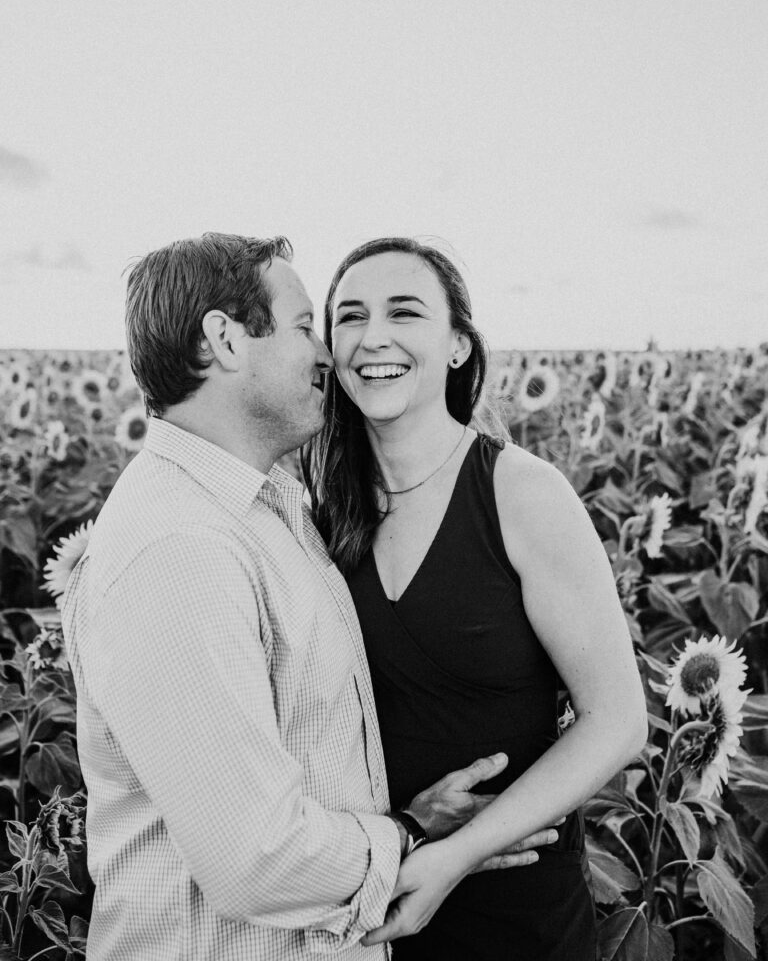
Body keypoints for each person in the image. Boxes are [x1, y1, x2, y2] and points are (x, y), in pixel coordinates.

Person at [61, 233, 556, 961]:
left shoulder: (265, 510)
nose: (326, 354)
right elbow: (256, 856)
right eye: (302, 327)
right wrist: (412, 840)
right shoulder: (179, 548)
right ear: (226, 342)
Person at [306, 237, 649, 959]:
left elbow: (616, 719)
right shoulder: (316, 508)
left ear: (459, 345)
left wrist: (454, 857)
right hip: (368, 905)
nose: (374, 338)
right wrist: (405, 838)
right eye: (349, 317)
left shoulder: (520, 494)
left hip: (516, 912)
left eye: (405, 312)